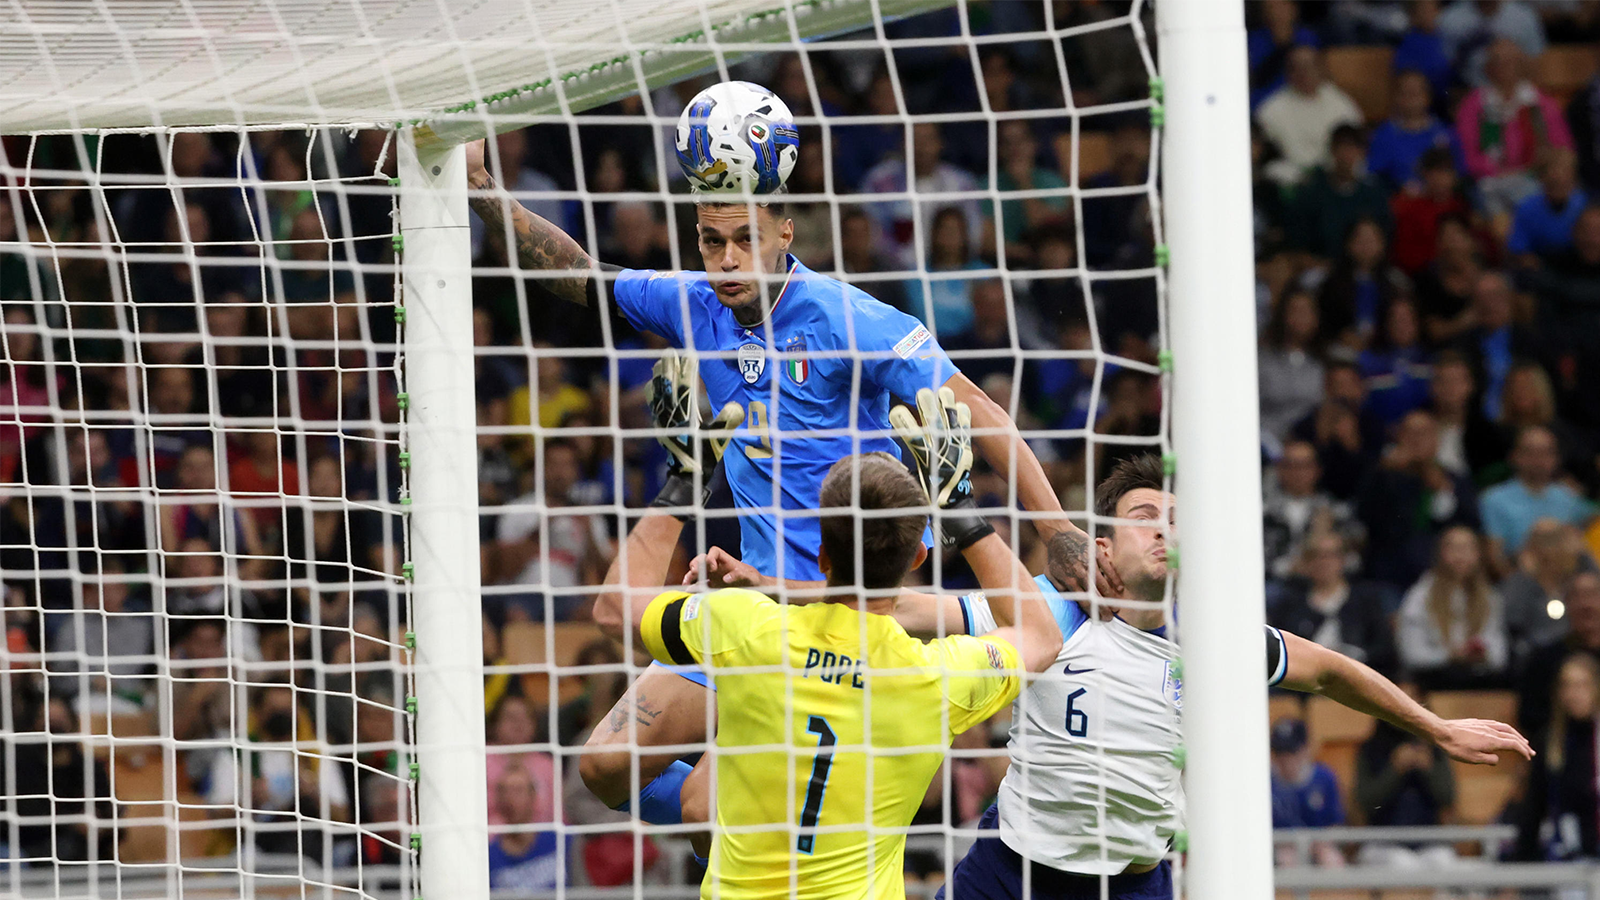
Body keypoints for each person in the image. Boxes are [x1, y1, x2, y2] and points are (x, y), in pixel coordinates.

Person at [464, 119, 1115, 821]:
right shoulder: (693, 303)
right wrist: (480, 189)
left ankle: (737, 819)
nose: (729, 260)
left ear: (785, 233)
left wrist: (1057, 528)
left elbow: (978, 408)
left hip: (838, 614)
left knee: (710, 814)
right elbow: (577, 275)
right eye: (713, 242)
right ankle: (729, 813)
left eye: (746, 238)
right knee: (602, 768)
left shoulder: (849, 319)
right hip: (747, 607)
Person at [910, 454, 1530, 900]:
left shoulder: (1210, 641)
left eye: (1175, 519)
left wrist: (1436, 728)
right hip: (1013, 871)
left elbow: (1332, 672)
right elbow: (919, 611)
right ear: (1100, 547)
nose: (1163, 528)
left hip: (1133, 884)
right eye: (1144, 515)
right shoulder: (1054, 607)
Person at [590, 383, 1063, 899]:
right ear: (917, 560)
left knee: (688, 797)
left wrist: (682, 484)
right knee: (681, 793)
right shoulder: (935, 677)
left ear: (820, 558)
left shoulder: (747, 628)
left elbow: (614, 609)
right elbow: (1039, 636)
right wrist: (960, 508)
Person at [1270, 532, 1397, 676]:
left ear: (1343, 559)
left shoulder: (1366, 601)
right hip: (1305, 685)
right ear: (1307, 562)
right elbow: (1282, 651)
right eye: (1316, 555)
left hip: (1360, 678)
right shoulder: (1290, 604)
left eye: (1331, 555)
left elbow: (1384, 649)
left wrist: (1357, 656)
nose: (1324, 562)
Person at [1397, 525, 1510, 687]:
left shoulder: (1490, 598)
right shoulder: (1420, 596)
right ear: (1440, 553)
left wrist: (1480, 653)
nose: (1461, 555)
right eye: (1454, 548)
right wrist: (1451, 655)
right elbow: (1412, 654)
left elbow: (1499, 656)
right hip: (1434, 680)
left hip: (1478, 680)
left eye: (1467, 548)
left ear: (1478, 554)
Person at [1516, 653, 1600, 860]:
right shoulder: (1549, 741)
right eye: (1567, 686)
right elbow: (1535, 807)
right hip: (1567, 855)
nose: (1574, 694)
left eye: (1582, 685)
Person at [1480, 426, 1598, 565]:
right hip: (1518, 574)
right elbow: (1494, 558)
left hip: (1565, 576)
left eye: (1545, 452)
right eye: (1530, 452)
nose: (1538, 460)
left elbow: (1594, 519)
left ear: (1556, 458)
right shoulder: (1494, 499)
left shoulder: (1567, 495)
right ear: (1514, 456)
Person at [1269, 717, 1347, 869]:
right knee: (1286, 860)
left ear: (1305, 750)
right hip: (1280, 848)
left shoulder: (1324, 778)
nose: (1285, 760)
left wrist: (1319, 843)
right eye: (1279, 753)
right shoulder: (1265, 782)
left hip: (1320, 846)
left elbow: (1336, 823)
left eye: (1291, 752)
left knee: (1331, 860)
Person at [1366, 70, 1464, 190]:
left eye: (1416, 92)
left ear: (1428, 96)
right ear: (1396, 97)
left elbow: (1459, 173)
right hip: (1398, 201)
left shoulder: (1446, 134)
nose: (1412, 98)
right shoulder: (1383, 136)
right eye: (1405, 92)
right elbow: (1373, 176)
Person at [1507, 148, 1587, 267]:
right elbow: (1519, 249)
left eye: (1565, 174)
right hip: (1543, 268)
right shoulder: (1527, 208)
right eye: (1553, 182)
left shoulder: (1586, 205)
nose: (1558, 179)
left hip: (1581, 266)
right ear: (1541, 179)